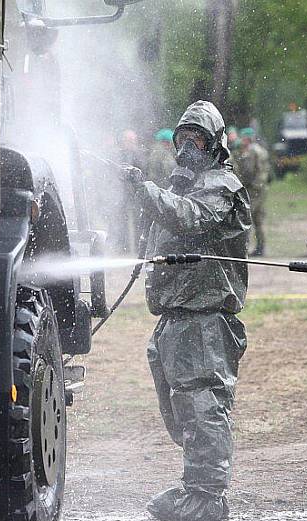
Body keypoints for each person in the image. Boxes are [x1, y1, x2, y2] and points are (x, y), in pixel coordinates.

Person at [120, 100, 251, 521]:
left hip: (205, 319)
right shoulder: (185, 185)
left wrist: (147, 191)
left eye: (197, 138)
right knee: (182, 410)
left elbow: (192, 219)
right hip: (175, 318)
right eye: (182, 138)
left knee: (201, 406)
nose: (188, 147)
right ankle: (194, 487)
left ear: (214, 143)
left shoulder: (221, 186)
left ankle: (206, 498)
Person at [236, 127, 270, 256]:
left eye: (244, 138)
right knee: (257, 219)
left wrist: (251, 185)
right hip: (256, 188)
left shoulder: (254, 152)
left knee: (248, 216)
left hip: (256, 189)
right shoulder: (254, 151)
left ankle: (246, 247)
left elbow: (255, 172)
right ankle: (260, 247)